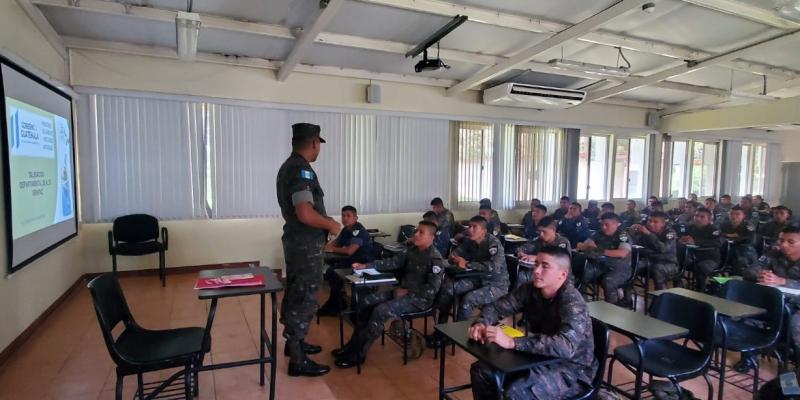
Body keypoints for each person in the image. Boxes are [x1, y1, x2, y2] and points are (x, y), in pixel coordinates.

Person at [468, 247, 597, 400]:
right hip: (539, 356)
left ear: (562, 275)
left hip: (571, 369)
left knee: (517, 393)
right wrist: (481, 323)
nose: (536, 271)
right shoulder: (531, 289)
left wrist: (512, 342)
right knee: (481, 371)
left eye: (545, 266)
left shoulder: (572, 302)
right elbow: (497, 307)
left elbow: (565, 346)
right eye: (536, 264)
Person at [333, 220, 445, 367]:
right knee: (366, 301)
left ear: (432, 237)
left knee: (381, 311)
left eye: (421, 232)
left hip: (420, 300)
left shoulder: (435, 258)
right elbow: (392, 262)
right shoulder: (412, 250)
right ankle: (353, 345)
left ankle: (359, 353)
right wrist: (366, 265)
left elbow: (432, 288)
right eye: (416, 231)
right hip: (402, 293)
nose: (416, 234)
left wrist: (408, 291)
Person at [276, 122, 341, 377]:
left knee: (296, 292)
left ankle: (296, 345)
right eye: (318, 145)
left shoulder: (288, 166)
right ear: (314, 143)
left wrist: (324, 222)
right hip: (305, 246)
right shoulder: (301, 170)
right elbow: (305, 213)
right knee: (305, 297)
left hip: (298, 243)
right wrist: (331, 224)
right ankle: (298, 361)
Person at [435, 216, 509, 323]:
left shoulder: (493, 243)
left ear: (484, 231)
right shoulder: (470, 241)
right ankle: (442, 325)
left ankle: (459, 330)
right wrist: (453, 256)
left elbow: (494, 267)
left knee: (469, 299)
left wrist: (467, 264)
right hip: (476, 279)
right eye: (469, 226)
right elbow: (458, 251)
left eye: (475, 227)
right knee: (448, 289)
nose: (470, 230)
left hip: (496, 284)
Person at [319, 206, 375, 316]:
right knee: (331, 270)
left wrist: (332, 249)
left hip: (362, 265)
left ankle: (337, 303)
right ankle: (339, 301)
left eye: (348, 216)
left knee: (332, 272)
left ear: (356, 218)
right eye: (343, 216)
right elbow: (334, 244)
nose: (345, 218)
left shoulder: (358, 231)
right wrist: (327, 246)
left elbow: (350, 251)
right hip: (351, 262)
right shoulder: (346, 230)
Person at [757, 227, 800, 362]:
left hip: (797, 304)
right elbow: (750, 270)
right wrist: (762, 274)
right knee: (751, 314)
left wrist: (783, 281)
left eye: (790, 242)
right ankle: (749, 357)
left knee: (797, 323)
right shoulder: (774, 254)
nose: (784, 244)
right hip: (775, 300)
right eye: (781, 240)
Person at [576, 213, 632, 306]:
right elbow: (582, 245)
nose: (603, 227)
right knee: (581, 274)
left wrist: (599, 250)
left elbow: (622, 253)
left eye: (607, 224)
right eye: (602, 224)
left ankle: (611, 308)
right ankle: (584, 304)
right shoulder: (598, 233)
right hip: (600, 265)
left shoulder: (623, 235)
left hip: (619, 268)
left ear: (616, 224)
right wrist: (586, 246)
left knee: (608, 281)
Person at [516, 216, 571, 289]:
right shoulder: (539, 240)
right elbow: (523, 248)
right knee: (521, 275)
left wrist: (536, 258)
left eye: (544, 231)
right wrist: (521, 253)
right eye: (539, 231)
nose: (541, 234)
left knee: (524, 277)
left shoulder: (562, 242)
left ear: (553, 230)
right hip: (541, 272)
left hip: (559, 276)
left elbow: (556, 260)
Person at [629, 211, 679, 291]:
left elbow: (663, 249)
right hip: (649, 260)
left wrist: (649, 234)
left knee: (658, 268)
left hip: (668, 263)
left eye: (655, 222)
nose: (651, 224)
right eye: (649, 221)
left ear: (663, 224)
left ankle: (661, 295)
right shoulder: (646, 230)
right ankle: (627, 296)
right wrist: (633, 233)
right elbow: (636, 246)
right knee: (631, 265)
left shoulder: (670, 233)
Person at [678, 207, 722, 292]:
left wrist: (696, 242)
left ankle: (700, 291)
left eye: (702, 217)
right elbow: (682, 238)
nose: (698, 218)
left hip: (709, 258)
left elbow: (717, 243)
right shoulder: (690, 227)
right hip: (692, 257)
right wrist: (682, 239)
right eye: (696, 216)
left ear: (709, 219)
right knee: (678, 263)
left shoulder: (713, 230)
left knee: (701, 268)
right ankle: (678, 288)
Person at [720, 206, 759, 281]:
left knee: (739, 258)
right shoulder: (724, 225)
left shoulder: (748, 226)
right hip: (726, 248)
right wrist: (732, 235)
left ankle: (738, 279)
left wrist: (731, 237)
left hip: (745, 250)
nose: (734, 216)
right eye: (731, 214)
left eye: (737, 214)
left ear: (743, 216)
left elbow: (750, 239)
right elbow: (718, 235)